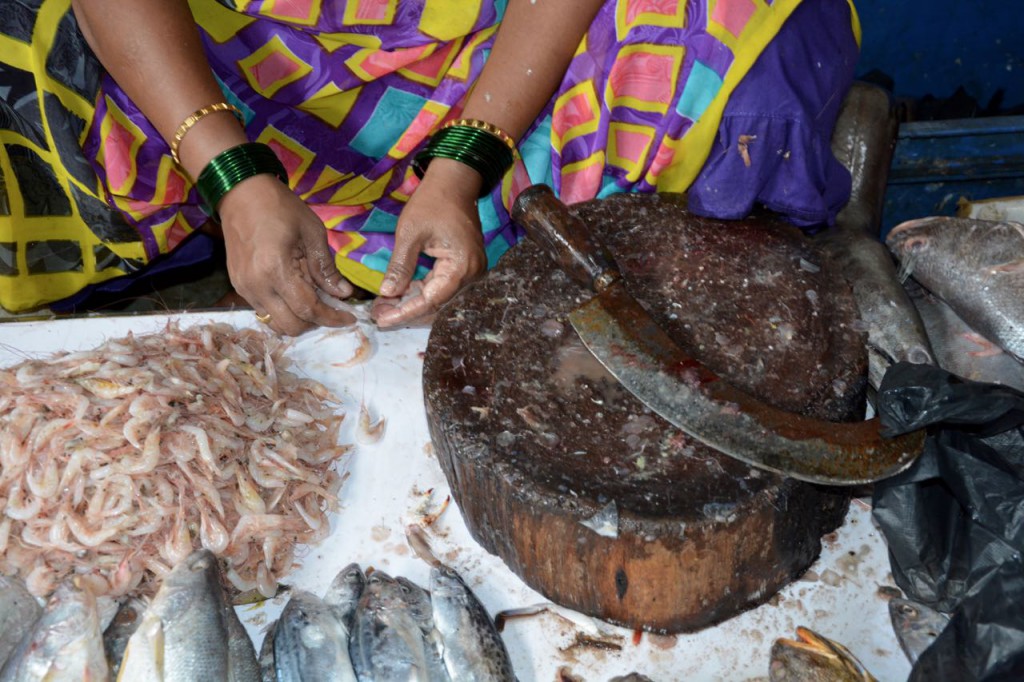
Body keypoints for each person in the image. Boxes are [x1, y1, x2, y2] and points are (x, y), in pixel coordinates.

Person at [0, 0, 859, 335]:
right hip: (233, 56)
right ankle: (244, 234)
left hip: (490, 50)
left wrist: (462, 163)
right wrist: (233, 179)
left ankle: (566, 238)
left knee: (765, 44)